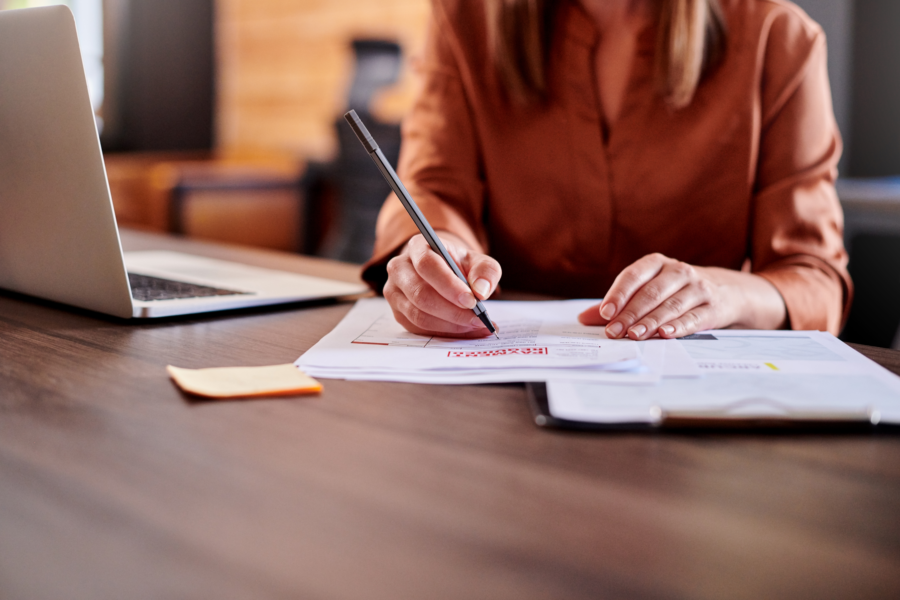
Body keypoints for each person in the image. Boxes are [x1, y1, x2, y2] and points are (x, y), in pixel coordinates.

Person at [361, 0, 852, 341]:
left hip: (690, 402)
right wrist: (440, 257)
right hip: (493, 384)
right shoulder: (464, 20)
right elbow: (433, 188)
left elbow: (813, 278)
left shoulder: (780, 40)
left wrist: (725, 295)